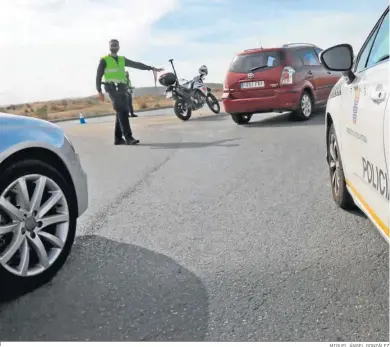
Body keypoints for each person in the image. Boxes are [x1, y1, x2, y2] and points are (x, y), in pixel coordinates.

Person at [96, 39, 163, 145]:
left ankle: (117, 139)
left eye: (116, 45)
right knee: (122, 110)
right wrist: (99, 91)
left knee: (122, 111)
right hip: (112, 88)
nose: (114, 46)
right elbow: (98, 75)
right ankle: (128, 137)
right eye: (112, 45)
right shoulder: (104, 60)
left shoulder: (122, 59)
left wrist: (151, 68)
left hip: (122, 87)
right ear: (109, 47)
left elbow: (136, 64)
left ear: (119, 47)